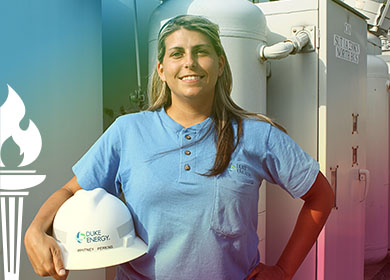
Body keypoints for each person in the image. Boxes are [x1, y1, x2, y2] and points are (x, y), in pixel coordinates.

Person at [24, 15, 334, 280]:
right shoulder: (128, 131)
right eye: (177, 54)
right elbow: (69, 192)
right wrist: (35, 231)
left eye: (201, 52)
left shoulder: (256, 135)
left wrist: (283, 270)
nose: (189, 62)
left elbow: (321, 195)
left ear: (220, 63)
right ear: (161, 69)